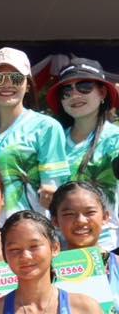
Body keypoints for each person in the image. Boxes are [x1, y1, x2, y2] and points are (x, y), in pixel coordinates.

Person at [0, 47, 69, 215]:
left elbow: (53, 189)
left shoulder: (46, 127)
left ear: (27, 85)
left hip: (32, 226)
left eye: (15, 78)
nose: (6, 84)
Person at [49, 58, 119, 250]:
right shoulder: (52, 138)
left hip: (107, 246)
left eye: (85, 87)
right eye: (66, 90)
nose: (74, 94)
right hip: (60, 247)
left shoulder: (115, 138)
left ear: (102, 93)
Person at [51, 181, 119, 314]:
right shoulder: (46, 273)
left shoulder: (117, 266)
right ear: (55, 221)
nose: (81, 221)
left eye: (90, 212)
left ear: (105, 216)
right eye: (69, 214)